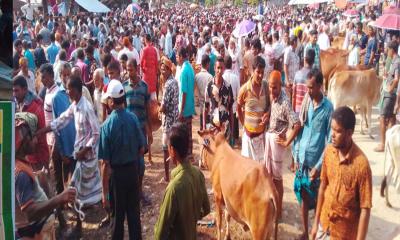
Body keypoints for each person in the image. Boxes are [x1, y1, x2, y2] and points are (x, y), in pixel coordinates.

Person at [36, 75, 102, 237]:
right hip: (79, 156)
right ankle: (80, 224)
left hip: (86, 157)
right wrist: (42, 131)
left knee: (73, 190)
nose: (67, 92)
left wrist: (84, 151)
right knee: (75, 192)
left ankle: (80, 226)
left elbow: (96, 133)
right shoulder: (75, 105)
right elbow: (61, 120)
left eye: (69, 89)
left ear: (77, 90)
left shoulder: (85, 107)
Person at [310, 107, 372, 240]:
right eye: (332, 129)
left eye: (338, 131)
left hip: (344, 234)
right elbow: (323, 187)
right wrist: (315, 224)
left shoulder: (362, 166)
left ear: (349, 133)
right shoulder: (328, 152)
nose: (332, 134)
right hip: (323, 227)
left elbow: (365, 209)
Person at [15, 112, 76, 240]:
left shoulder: (18, 163)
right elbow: (30, 213)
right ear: (24, 141)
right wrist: (60, 198)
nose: (37, 141)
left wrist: (37, 179)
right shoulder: (21, 174)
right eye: (33, 137)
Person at [99, 80, 145, 240]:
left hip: (117, 178)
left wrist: (104, 193)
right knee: (134, 217)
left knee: (117, 219)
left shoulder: (106, 126)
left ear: (111, 101)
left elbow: (105, 163)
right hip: (132, 173)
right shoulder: (133, 118)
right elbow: (142, 148)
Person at [293, 69, 333, 240]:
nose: (308, 91)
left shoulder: (329, 108)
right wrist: (295, 154)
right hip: (302, 160)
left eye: (311, 87)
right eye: (307, 87)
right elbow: (300, 126)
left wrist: (319, 166)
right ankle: (305, 231)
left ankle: (316, 232)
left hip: (317, 163)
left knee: (318, 201)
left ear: (319, 86)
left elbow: (331, 140)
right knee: (303, 197)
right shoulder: (307, 102)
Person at [154, 123, 210, 239]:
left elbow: (160, 234)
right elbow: (206, 209)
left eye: (168, 148)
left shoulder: (173, 188)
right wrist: (192, 217)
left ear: (172, 150)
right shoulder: (198, 174)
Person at [265, 70, 301, 220]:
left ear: (280, 85)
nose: (272, 90)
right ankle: (273, 206)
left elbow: (297, 124)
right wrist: (267, 115)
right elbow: (274, 111)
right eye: (270, 87)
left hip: (277, 143)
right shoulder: (273, 97)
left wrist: (287, 142)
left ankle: (278, 213)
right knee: (270, 177)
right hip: (270, 138)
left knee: (278, 180)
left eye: (275, 87)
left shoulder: (285, 102)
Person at [123, 58, 153, 205]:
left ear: (137, 69)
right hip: (128, 132)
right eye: (127, 70)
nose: (129, 72)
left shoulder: (144, 87)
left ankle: (139, 192)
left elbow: (148, 110)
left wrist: (150, 130)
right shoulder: (124, 87)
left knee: (140, 164)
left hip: (141, 130)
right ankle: (132, 193)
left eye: (131, 69)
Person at [51, 62, 77, 229]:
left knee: (74, 181)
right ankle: (62, 213)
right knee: (61, 182)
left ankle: (76, 212)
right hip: (64, 147)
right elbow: (56, 126)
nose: (67, 77)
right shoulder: (57, 97)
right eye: (64, 74)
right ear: (60, 76)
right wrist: (61, 150)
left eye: (69, 74)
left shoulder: (76, 94)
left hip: (77, 147)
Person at [13, 75, 50, 172]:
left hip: (38, 158)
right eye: (13, 91)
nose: (14, 94)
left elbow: (41, 133)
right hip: (26, 157)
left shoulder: (35, 107)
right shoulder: (18, 104)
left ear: (25, 89)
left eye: (16, 91)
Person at [237, 56, 270, 162]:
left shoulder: (265, 86)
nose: (260, 75)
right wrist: (244, 126)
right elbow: (238, 107)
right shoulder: (244, 89)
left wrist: (268, 113)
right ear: (252, 71)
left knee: (260, 171)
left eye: (262, 72)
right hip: (248, 138)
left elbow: (270, 105)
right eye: (258, 72)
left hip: (261, 138)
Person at [375, 41, 399, 152]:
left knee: (383, 117)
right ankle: (389, 144)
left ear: (392, 50)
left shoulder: (397, 62)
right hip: (392, 93)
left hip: (390, 94)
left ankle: (383, 144)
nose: (387, 51)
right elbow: (393, 76)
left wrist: (390, 88)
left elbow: (396, 78)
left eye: (388, 49)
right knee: (391, 119)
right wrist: (387, 75)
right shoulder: (394, 61)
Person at [203, 56, 234, 142]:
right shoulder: (209, 86)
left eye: (222, 68)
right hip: (212, 128)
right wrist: (204, 127)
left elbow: (230, 110)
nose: (220, 71)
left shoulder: (228, 87)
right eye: (218, 68)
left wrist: (231, 129)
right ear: (214, 68)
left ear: (224, 68)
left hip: (225, 128)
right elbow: (205, 108)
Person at [159, 57, 179, 182]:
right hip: (175, 119)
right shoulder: (175, 82)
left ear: (169, 70)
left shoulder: (168, 85)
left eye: (164, 69)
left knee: (166, 149)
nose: (162, 72)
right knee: (175, 147)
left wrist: (158, 109)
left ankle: (166, 176)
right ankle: (177, 173)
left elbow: (163, 107)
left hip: (168, 121)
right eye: (161, 69)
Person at [176, 47, 196, 158]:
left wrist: (181, 111)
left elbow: (183, 92)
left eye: (178, 56)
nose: (176, 58)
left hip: (184, 107)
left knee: (184, 133)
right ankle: (190, 153)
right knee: (188, 132)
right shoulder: (190, 68)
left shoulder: (184, 71)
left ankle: (186, 155)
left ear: (182, 57)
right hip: (189, 105)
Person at [222, 55, 241, 145]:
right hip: (233, 107)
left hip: (224, 107)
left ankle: (226, 142)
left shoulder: (221, 77)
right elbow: (238, 95)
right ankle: (233, 141)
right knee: (233, 126)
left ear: (224, 65)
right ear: (232, 65)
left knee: (224, 127)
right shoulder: (236, 78)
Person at [293, 49, 315, 114]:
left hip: (297, 110)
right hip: (308, 111)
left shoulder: (297, 74)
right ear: (313, 61)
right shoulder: (314, 77)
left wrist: (293, 111)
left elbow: (294, 95)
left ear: (305, 59)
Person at [195, 54, 213, 131]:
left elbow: (195, 91)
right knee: (208, 125)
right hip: (208, 105)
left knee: (202, 125)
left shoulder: (197, 76)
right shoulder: (210, 77)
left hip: (201, 104)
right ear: (208, 64)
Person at [140, 34, 159, 100]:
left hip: (146, 73)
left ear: (145, 40)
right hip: (153, 73)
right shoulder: (154, 50)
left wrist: (143, 70)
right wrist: (155, 73)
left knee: (145, 91)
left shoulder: (144, 50)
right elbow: (156, 63)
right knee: (153, 95)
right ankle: (153, 109)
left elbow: (141, 62)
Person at [284, 36, 300, 101]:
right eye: (297, 42)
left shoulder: (295, 51)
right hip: (290, 80)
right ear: (294, 42)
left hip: (295, 79)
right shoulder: (288, 51)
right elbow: (285, 65)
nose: (298, 43)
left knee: (293, 98)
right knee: (289, 99)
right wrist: (287, 80)